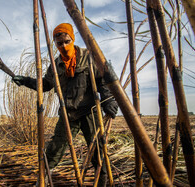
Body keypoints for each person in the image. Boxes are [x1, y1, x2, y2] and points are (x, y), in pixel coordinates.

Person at [13, 23, 118, 186]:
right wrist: (26, 81)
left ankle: (103, 181)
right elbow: (45, 85)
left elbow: (102, 81)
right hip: (68, 114)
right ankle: (44, 180)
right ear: (55, 44)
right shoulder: (55, 66)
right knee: (55, 147)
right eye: (59, 43)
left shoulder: (88, 57)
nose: (64, 46)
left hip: (89, 112)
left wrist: (108, 101)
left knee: (98, 149)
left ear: (73, 39)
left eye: (67, 41)